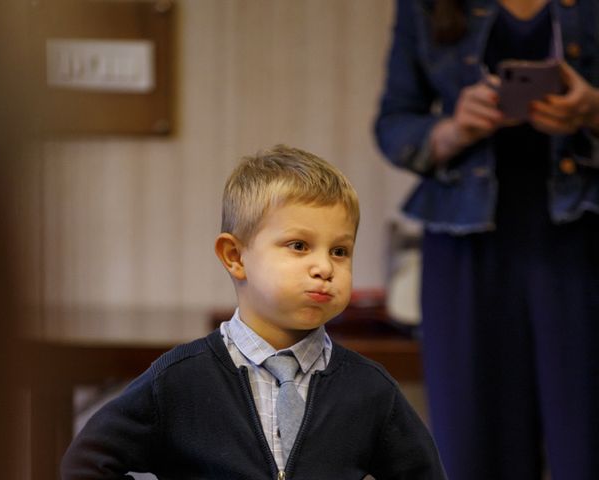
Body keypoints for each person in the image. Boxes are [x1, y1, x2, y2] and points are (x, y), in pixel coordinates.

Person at [60, 145, 447, 480]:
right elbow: (86, 464)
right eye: (299, 245)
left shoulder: (370, 390)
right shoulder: (179, 380)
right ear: (235, 256)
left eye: (339, 251)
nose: (325, 267)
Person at [374, 1, 599, 480]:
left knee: (588, 449)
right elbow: (393, 122)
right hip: (465, 248)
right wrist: (455, 129)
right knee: (473, 453)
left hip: (584, 238)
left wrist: (594, 110)